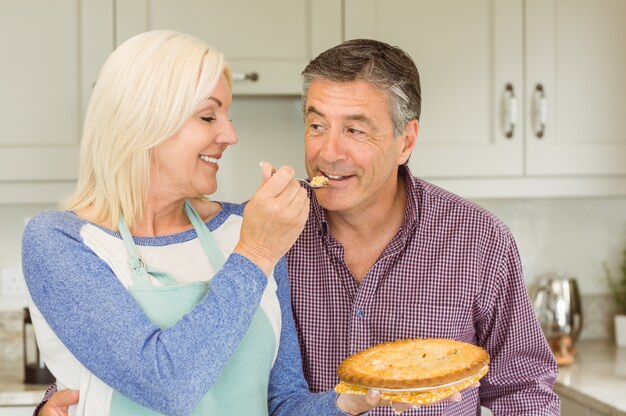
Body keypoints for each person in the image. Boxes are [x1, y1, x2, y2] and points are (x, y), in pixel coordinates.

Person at [35, 38, 560, 416]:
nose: (327, 151)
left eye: (355, 129)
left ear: (406, 140)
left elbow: (525, 389)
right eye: (315, 125)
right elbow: (161, 380)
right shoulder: (267, 230)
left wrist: (350, 401)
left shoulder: (478, 240)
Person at [22, 30, 383, 416]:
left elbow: (281, 403)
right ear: (143, 123)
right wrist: (256, 252)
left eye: (227, 116)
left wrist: (346, 403)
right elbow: (167, 385)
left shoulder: (243, 226)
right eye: (208, 115)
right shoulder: (62, 241)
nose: (230, 135)